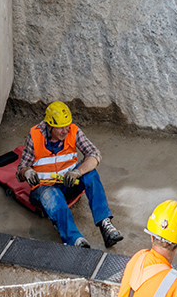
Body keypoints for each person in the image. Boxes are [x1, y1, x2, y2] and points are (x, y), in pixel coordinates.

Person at [17, 101, 123, 249]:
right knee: (53, 195)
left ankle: (106, 225)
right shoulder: (34, 136)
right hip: (43, 189)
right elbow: (21, 169)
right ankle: (75, 240)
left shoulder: (73, 131)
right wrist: (27, 172)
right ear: (50, 126)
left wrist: (77, 172)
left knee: (90, 174)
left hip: (68, 183)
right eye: (61, 127)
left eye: (67, 125)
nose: (66, 130)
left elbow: (94, 154)